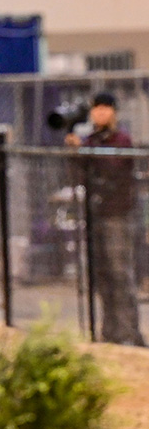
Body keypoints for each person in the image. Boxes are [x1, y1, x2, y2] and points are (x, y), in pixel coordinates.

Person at [66, 92, 145, 346]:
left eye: (105, 108)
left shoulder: (121, 140)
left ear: (113, 112)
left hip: (118, 215)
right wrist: (75, 153)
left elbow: (113, 171)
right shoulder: (89, 141)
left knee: (121, 274)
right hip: (95, 215)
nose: (100, 113)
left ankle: (129, 333)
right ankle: (109, 332)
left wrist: (85, 151)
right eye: (96, 109)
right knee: (102, 276)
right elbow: (79, 176)